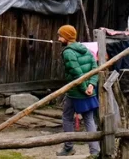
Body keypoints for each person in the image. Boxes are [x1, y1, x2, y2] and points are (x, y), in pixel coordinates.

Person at [57, 25, 100, 158]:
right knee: (89, 119)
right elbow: (95, 68)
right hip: (88, 91)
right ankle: (95, 152)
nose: (58, 39)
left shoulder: (68, 52)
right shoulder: (84, 49)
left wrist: (84, 88)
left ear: (67, 37)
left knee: (67, 117)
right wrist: (92, 85)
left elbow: (77, 73)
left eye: (60, 36)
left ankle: (69, 147)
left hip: (76, 91)